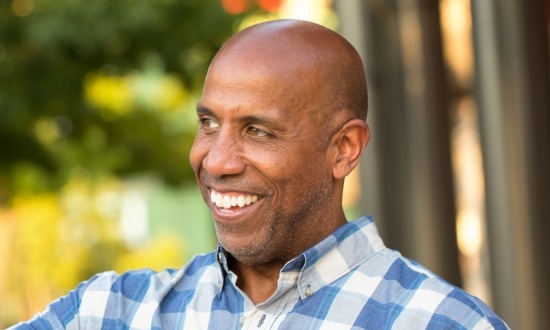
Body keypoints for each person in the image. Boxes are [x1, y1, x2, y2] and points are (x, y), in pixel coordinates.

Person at [10, 19, 509, 329]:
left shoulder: (441, 323)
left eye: (258, 131)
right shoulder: (111, 313)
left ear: (344, 149)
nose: (217, 161)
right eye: (208, 124)